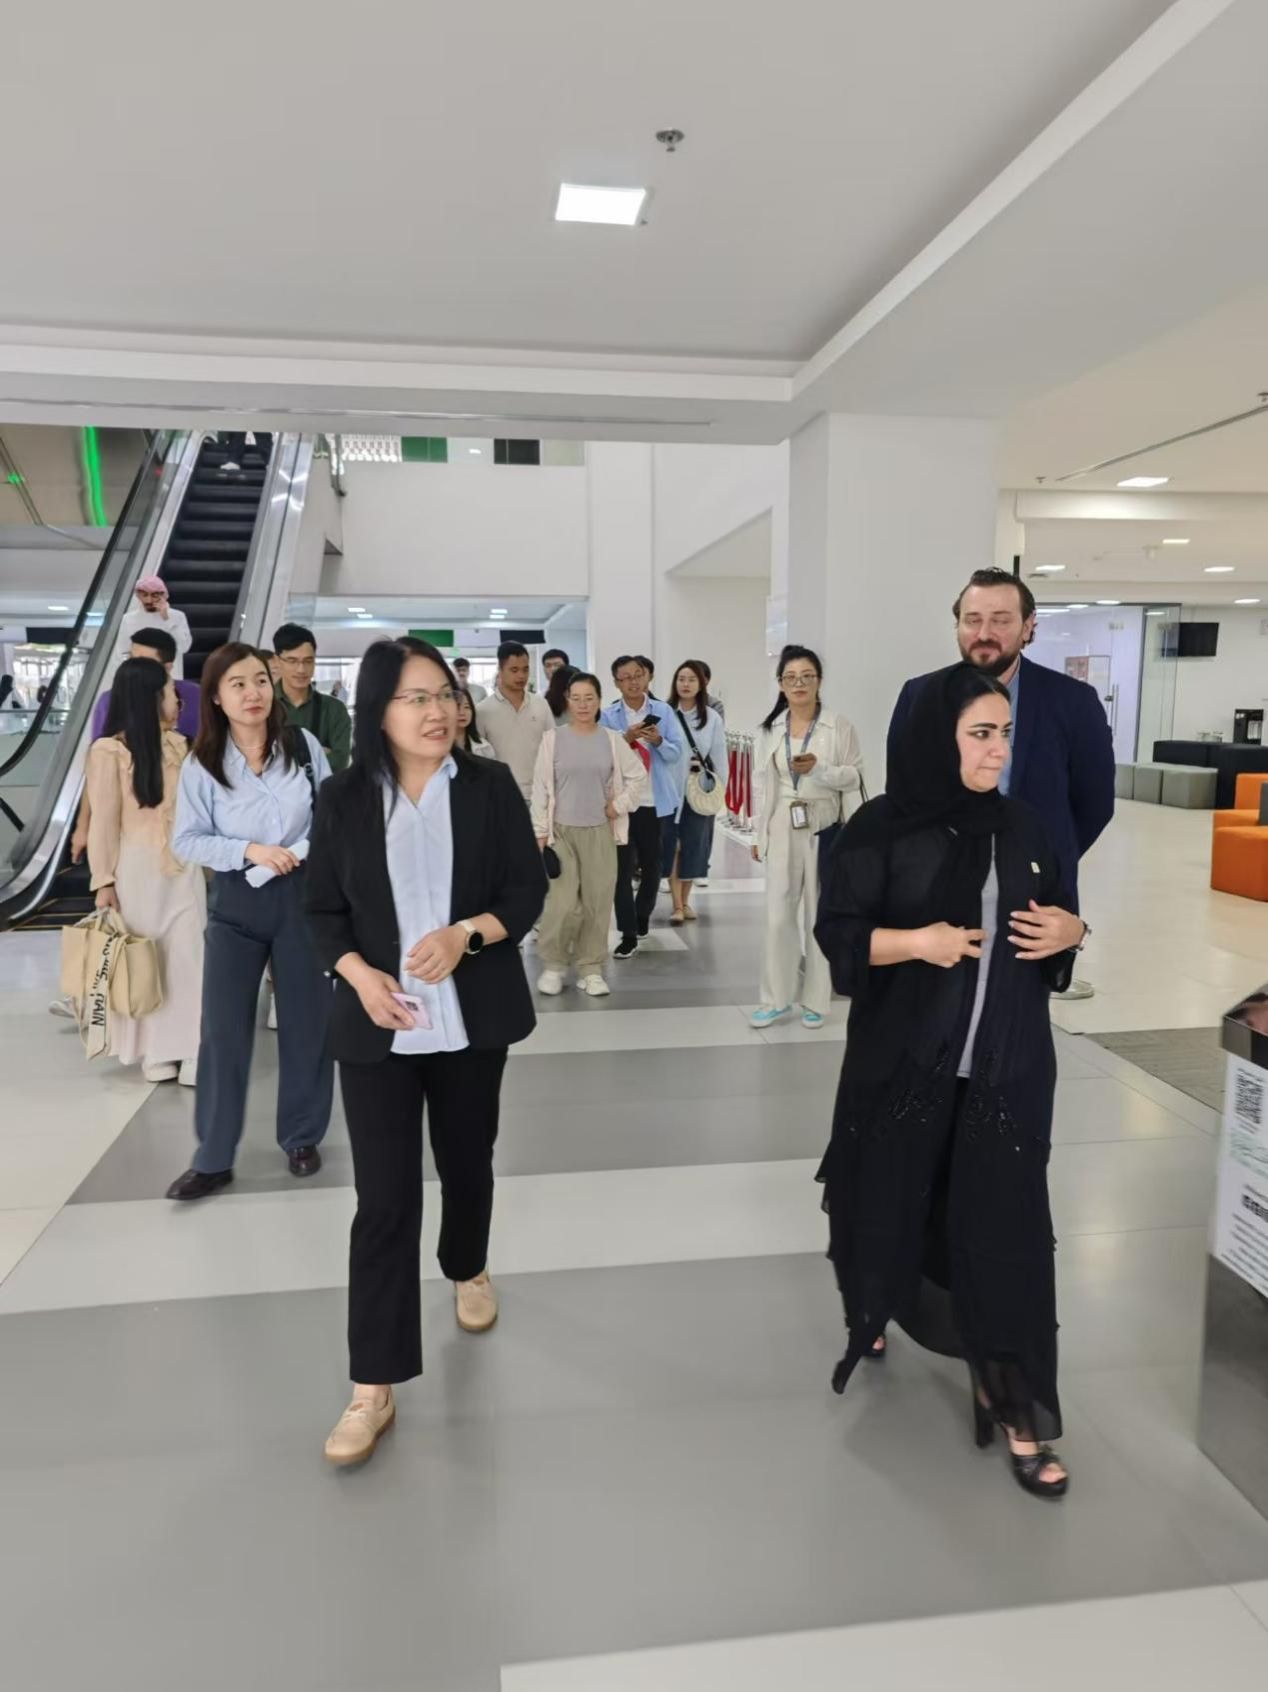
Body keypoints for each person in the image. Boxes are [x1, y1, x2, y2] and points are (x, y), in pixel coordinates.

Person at [816, 663, 1088, 1500]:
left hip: (1007, 1073)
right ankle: (876, 1304)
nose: (997, 750)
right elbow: (839, 935)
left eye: (1005, 733)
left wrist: (1074, 930)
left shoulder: (1026, 825)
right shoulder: (882, 828)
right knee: (890, 1199)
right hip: (905, 1066)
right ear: (939, 737)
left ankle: (1016, 1407)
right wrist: (917, 943)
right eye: (980, 733)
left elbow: (1063, 918)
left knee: (1006, 1237)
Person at [305, 638, 547, 1467]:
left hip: (470, 1022)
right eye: (416, 698)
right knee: (383, 1201)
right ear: (378, 711)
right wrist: (358, 975)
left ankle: (467, 1264)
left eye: (444, 694)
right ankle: (372, 1387)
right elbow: (321, 911)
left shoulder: (488, 787)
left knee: (467, 1161)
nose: (438, 711)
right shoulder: (343, 799)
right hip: (380, 1029)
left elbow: (526, 890)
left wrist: (465, 934)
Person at [889, 567, 1114, 1000]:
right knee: (932, 1009)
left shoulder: (1073, 702)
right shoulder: (919, 696)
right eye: (972, 619)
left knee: (1019, 1016)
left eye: (1001, 620)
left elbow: (1095, 804)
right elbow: (902, 793)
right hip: (938, 888)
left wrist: (1038, 860)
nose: (984, 633)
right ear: (957, 625)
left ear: (1028, 627)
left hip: (1032, 904)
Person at [167, 643, 333, 1200]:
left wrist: (300, 850)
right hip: (237, 902)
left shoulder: (303, 747)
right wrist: (249, 851)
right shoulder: (202, 763)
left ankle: (302, 1136)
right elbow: (187, 840)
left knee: (308, 1023)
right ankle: (213, 1156)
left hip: (302, 898)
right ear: (216, 697)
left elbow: (332, 816)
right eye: (237, 684)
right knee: (223, 1030)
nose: (252, 693)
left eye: (260, 680)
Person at [85, 657, 206, 1085]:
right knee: (144, 959)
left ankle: (191, 1047)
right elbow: (104, 822)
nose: (178, 701)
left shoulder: (179, 746)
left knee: (188, 957)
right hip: (135, 871)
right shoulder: (109, 752)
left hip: (183, 866)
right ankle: (155, 1049)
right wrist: (103, 880)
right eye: (170, 693)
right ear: (150, 698)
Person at [750, 646, 864, 1030]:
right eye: (791, 677)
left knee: (820, 913)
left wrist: (820, 770)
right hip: (783, 821)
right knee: (777, 916)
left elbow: (855, 776)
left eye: (807, 676)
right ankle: (775, 998)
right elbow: (761, 786)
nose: (799, 684)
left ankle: (816, 999)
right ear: (781, 684)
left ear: (819, 681)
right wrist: (758, 834)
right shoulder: (770, 730)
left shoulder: (837, 726)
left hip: (824, 822)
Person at [531, 672, 647, 998]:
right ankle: (554, 965)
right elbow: (540, 788)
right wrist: (540, 832)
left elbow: (638, 777)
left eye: (589, 698)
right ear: (567, 701)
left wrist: (618, 805)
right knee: (563, 904)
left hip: (600, 833)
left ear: (599, 702)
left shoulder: (612, 740)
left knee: (597, 903)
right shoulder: (552, 739)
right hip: (561, 834)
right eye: (576, 698)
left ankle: (590, 968)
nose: (583, 705)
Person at [71, 627, 201, 868]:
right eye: (130, 658)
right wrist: (83, 825)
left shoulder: (193, 698)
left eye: (144, 661)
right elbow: (98, 777)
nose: (133, 667)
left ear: (168, 667)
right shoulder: (110, 704)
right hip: (136, 841)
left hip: (183, 842)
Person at [599, 656, 684, 958]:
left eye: (638, 675)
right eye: (626, 677)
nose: (633, 682)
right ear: (616, 682)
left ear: (648, 677)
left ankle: (642, 914)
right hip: (623, 804)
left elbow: (676, 754)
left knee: (653, 866)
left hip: (653, 801)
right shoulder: (608, 715)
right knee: (621, 870)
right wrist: (626, 738)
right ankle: (628, 933)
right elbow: (602, 758)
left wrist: (659, 741)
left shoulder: (663, 712)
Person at [664, 661, 727, 924]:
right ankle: (677, 905)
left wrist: (720, 790)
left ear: (701, 684)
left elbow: (720, 756)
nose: (686, 684)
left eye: (691, 679)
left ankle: (685, 901)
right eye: (681, 679)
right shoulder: (665, 713)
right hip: (669, 792)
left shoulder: (711, 718)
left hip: (698, 792)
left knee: (693, 847)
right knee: (673, 847)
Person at [476, 642, 553, 804]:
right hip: (500, 796)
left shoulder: (541, 704)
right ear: (500, 670)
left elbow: (552, 747)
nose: (521, 676)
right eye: (514, 670)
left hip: (538, 794)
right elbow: (478, 758)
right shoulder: (482, 711)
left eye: (525, 669)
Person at [272, 622, 352, 773]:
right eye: (292, 661)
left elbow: (340, 763)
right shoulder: (263, 705)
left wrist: (284, 759)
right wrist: (318, 754)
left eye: (308, 661)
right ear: (277, 661)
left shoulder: (334, 709)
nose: (301, 669)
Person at [114, 576, 192, 679]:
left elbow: (184, 647)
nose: (149, 600)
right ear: (138, 595)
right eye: (145, 595)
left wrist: (167, 619)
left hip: (170, 676)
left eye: (154, 595)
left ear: (163, 595)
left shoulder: (177, 616)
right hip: (138, 678)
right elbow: (122, 651)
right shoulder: (128, 618)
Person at [455, 685, 495, 758]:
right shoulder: (438, 746)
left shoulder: (483, 747)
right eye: (457, 707)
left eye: (467, 707)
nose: (462, 712)